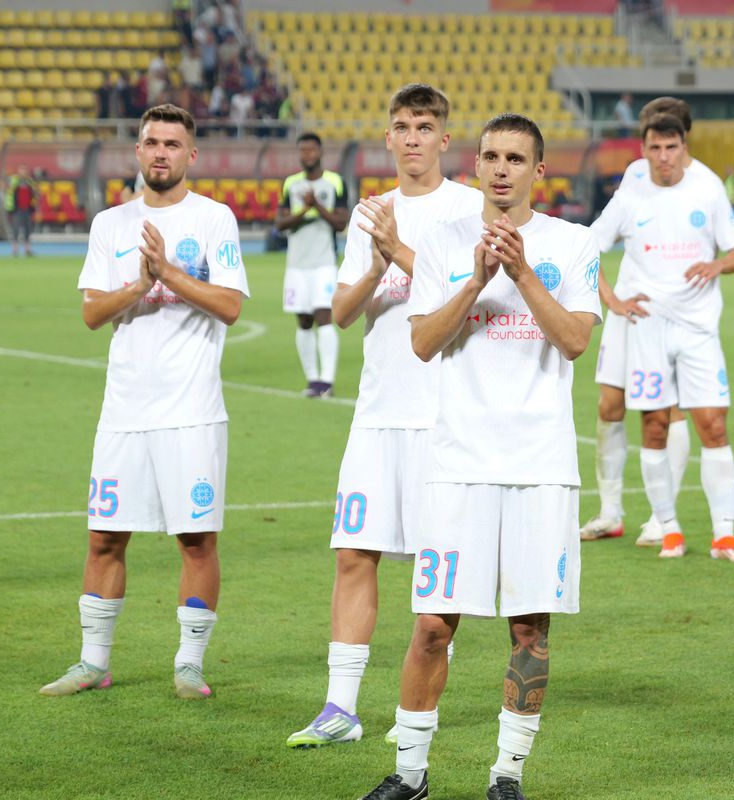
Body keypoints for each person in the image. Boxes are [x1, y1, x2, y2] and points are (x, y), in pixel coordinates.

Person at [357, 113, 601, 800]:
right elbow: (424, 343)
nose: (500, 169)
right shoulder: (440, 242)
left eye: (515, 158)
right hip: (458, 462)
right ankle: (409, 775)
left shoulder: (573, 244)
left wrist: (520, 273)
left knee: (529, 628)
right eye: (490, 156)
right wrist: (474, 280)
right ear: (478, 164)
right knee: (433, 625)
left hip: (540, 466)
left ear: (537, 169)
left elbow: (575, 341)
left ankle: (507, 776)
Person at [285, 84, 482, 749]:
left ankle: (418, 708)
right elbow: (340, 312)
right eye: (401, 127)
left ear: (444, 139)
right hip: (376, 413)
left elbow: (465, 294)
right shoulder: (371, 212)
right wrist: (373, 261)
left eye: (425, 126)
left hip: (443, 416)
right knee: (352, 554)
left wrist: (396, 250)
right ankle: (340, 708)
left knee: (436, 568)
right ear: (390, 138)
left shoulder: (469, 209)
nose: (413, 138)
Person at [39, 104, 250, 700]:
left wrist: (169, 274)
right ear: (138, 151)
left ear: (191, 156)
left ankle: (188, 663)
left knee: (196, 539)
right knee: (105, 536)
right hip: (124, 412)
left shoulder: (214, 219)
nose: (160, 152)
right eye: (151, 141)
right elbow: (90, 313)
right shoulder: (111, 224)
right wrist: (138, 284)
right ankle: (93, 661)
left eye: (172, 143)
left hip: (191, 412)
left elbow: (231, 305)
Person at [593, 113, 734, 562]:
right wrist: (613, 300)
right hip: (647, 328)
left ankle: (725, 535)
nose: (664, 157)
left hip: (698, 328)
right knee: (655, 424)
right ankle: (669, 529)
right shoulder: (630, 195)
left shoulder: (708, 188)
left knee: (713, 424)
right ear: (643, 151)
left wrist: (718, 264)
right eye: (655, 148)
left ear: (685, 147)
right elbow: (587, 250)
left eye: (671, 147)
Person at [579, 97, 708, 547]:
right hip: (630, 314)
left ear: (682, 137)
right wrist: (610, 297)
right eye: (649, 139)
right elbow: (593, 240)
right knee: (609, 407)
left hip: (675, 320)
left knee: (668, 412)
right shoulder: (636, 176)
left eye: (664, 139)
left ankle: (662, 518)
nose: (655, 151)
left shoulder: (702, 186)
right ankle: (610, 511)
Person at [275, 133, 349, 397]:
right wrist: (305, 211)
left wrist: (316, 204)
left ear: (320, 152)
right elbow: (280, 224)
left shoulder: (334, 182)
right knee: (304, 320)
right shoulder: (291, 184)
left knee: (323, 316)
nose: (307, 155)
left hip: (324, 262)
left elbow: (341, 223)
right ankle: (312, 379)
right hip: (296, 264)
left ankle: (326, 381)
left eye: (311, 150)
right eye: (302, 150)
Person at [6, 165, 39, 257]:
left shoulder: (30, 182)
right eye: (21, 170)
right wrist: (10, 208)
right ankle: (15, 250)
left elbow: (36, 193)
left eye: (25, 170)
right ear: (18, 171)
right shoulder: (13, 180)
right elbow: (8, 192)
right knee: (16, 229)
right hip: (16, 209)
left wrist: (34, 203)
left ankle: (27, 250)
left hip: (28, 209)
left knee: (28, 230)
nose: (23, 172)